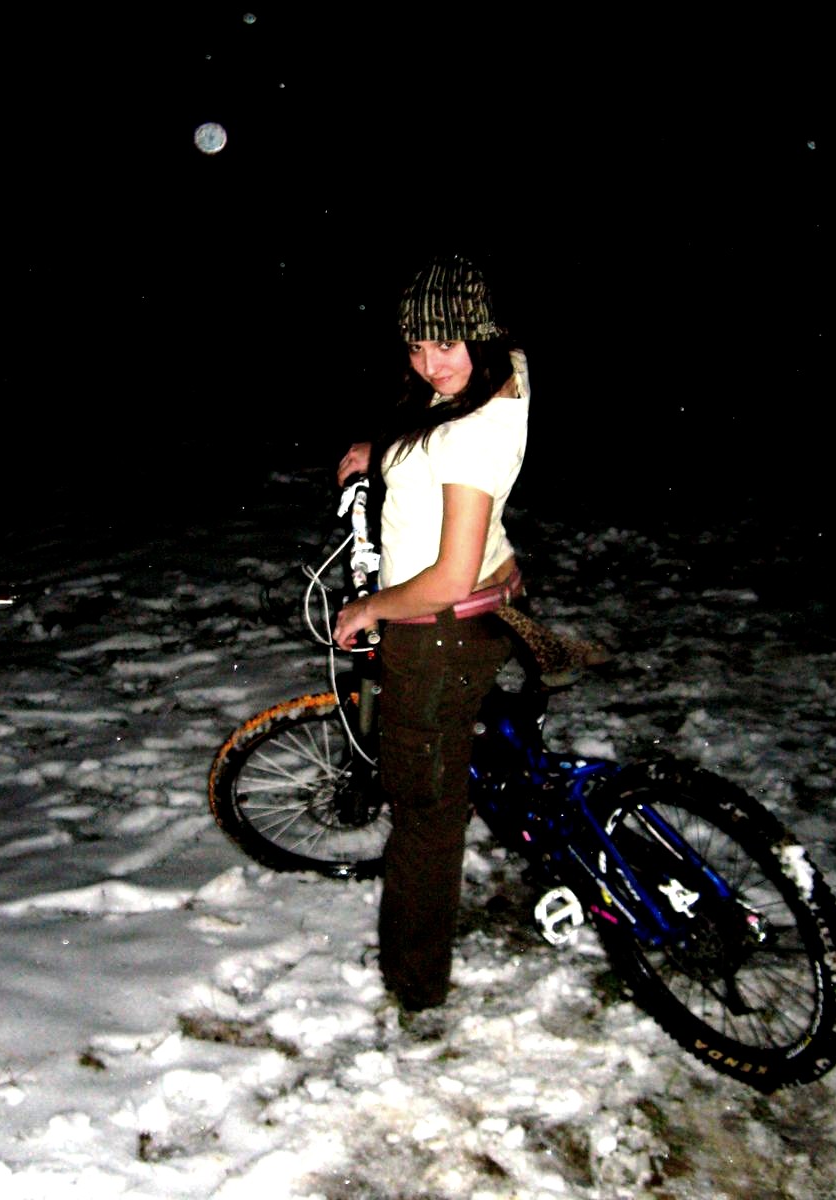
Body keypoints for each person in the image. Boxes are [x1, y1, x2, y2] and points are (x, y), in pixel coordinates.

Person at [333, 255, 529, 1014]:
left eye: (446, 344)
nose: (430, 364)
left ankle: (414, 984)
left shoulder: (471, 439)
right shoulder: (501, 372)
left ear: (480, 333)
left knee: (424, 818)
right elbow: (439, 420)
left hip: (440, 630)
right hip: (492, 597)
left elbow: (446, 578)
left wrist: (371, 610)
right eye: (416, 345)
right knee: (450, 754)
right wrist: (381, 453)